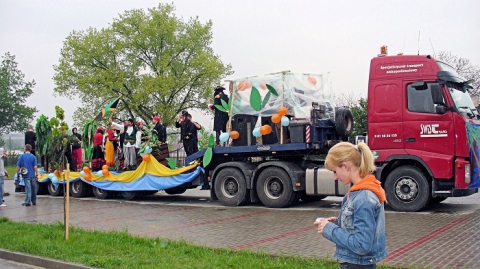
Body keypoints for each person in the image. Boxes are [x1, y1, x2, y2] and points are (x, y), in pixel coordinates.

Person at [315, 142, 387, 268]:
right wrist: (338, 222)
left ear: (346, 167)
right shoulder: (360, 193)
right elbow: (359, 225)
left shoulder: (363, 199)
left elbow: (361, 245)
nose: (335, 177)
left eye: (335, 171)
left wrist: (330, 230)